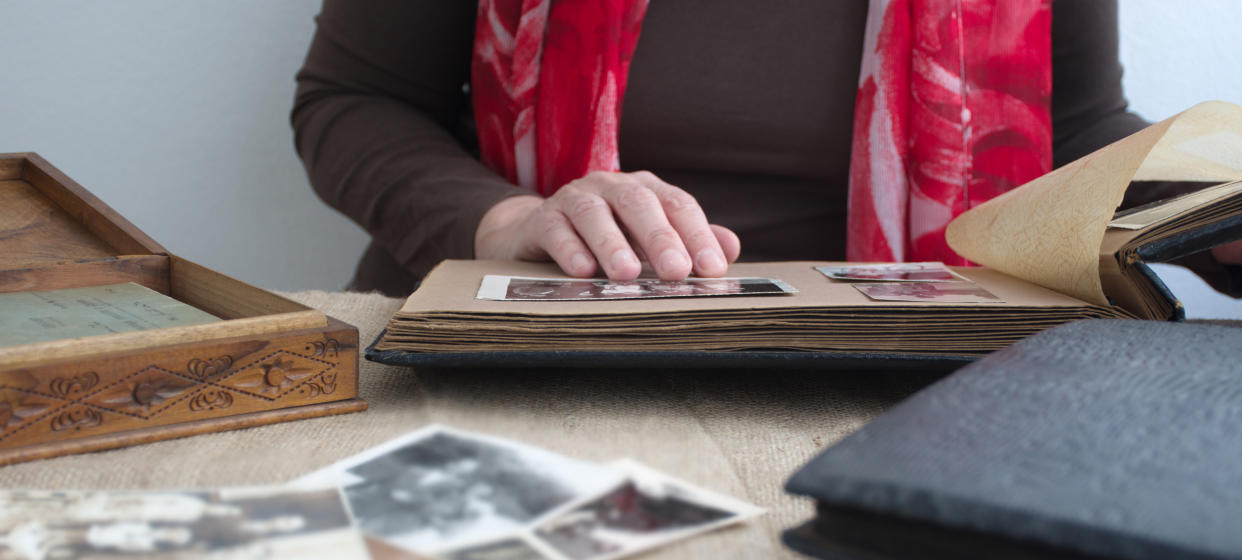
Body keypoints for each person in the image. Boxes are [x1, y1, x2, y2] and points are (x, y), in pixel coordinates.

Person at [292, 0, 1242, 298]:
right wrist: (505, 221)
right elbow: (355, 101)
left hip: (900, 367)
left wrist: (1213, 207)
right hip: (535, 334)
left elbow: (1068, 134)